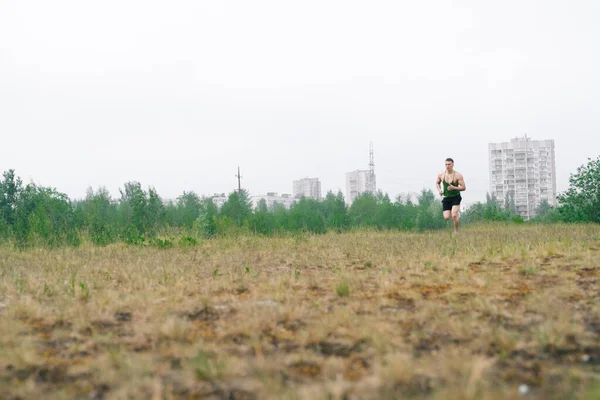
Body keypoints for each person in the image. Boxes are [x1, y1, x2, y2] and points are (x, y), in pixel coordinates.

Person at [436, 158, 466, 235]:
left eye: (449, 164)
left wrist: (454, 187)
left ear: (452, 165)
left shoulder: (458, 175)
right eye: (446, 164)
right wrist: (439, 190)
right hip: (446, 198)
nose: (447, 166)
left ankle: (456, 232)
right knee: (446, 217)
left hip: (456, 197)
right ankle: (455, 213)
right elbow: (437, 183)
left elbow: (463, 187)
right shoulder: (441, 174)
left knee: (454, 215)